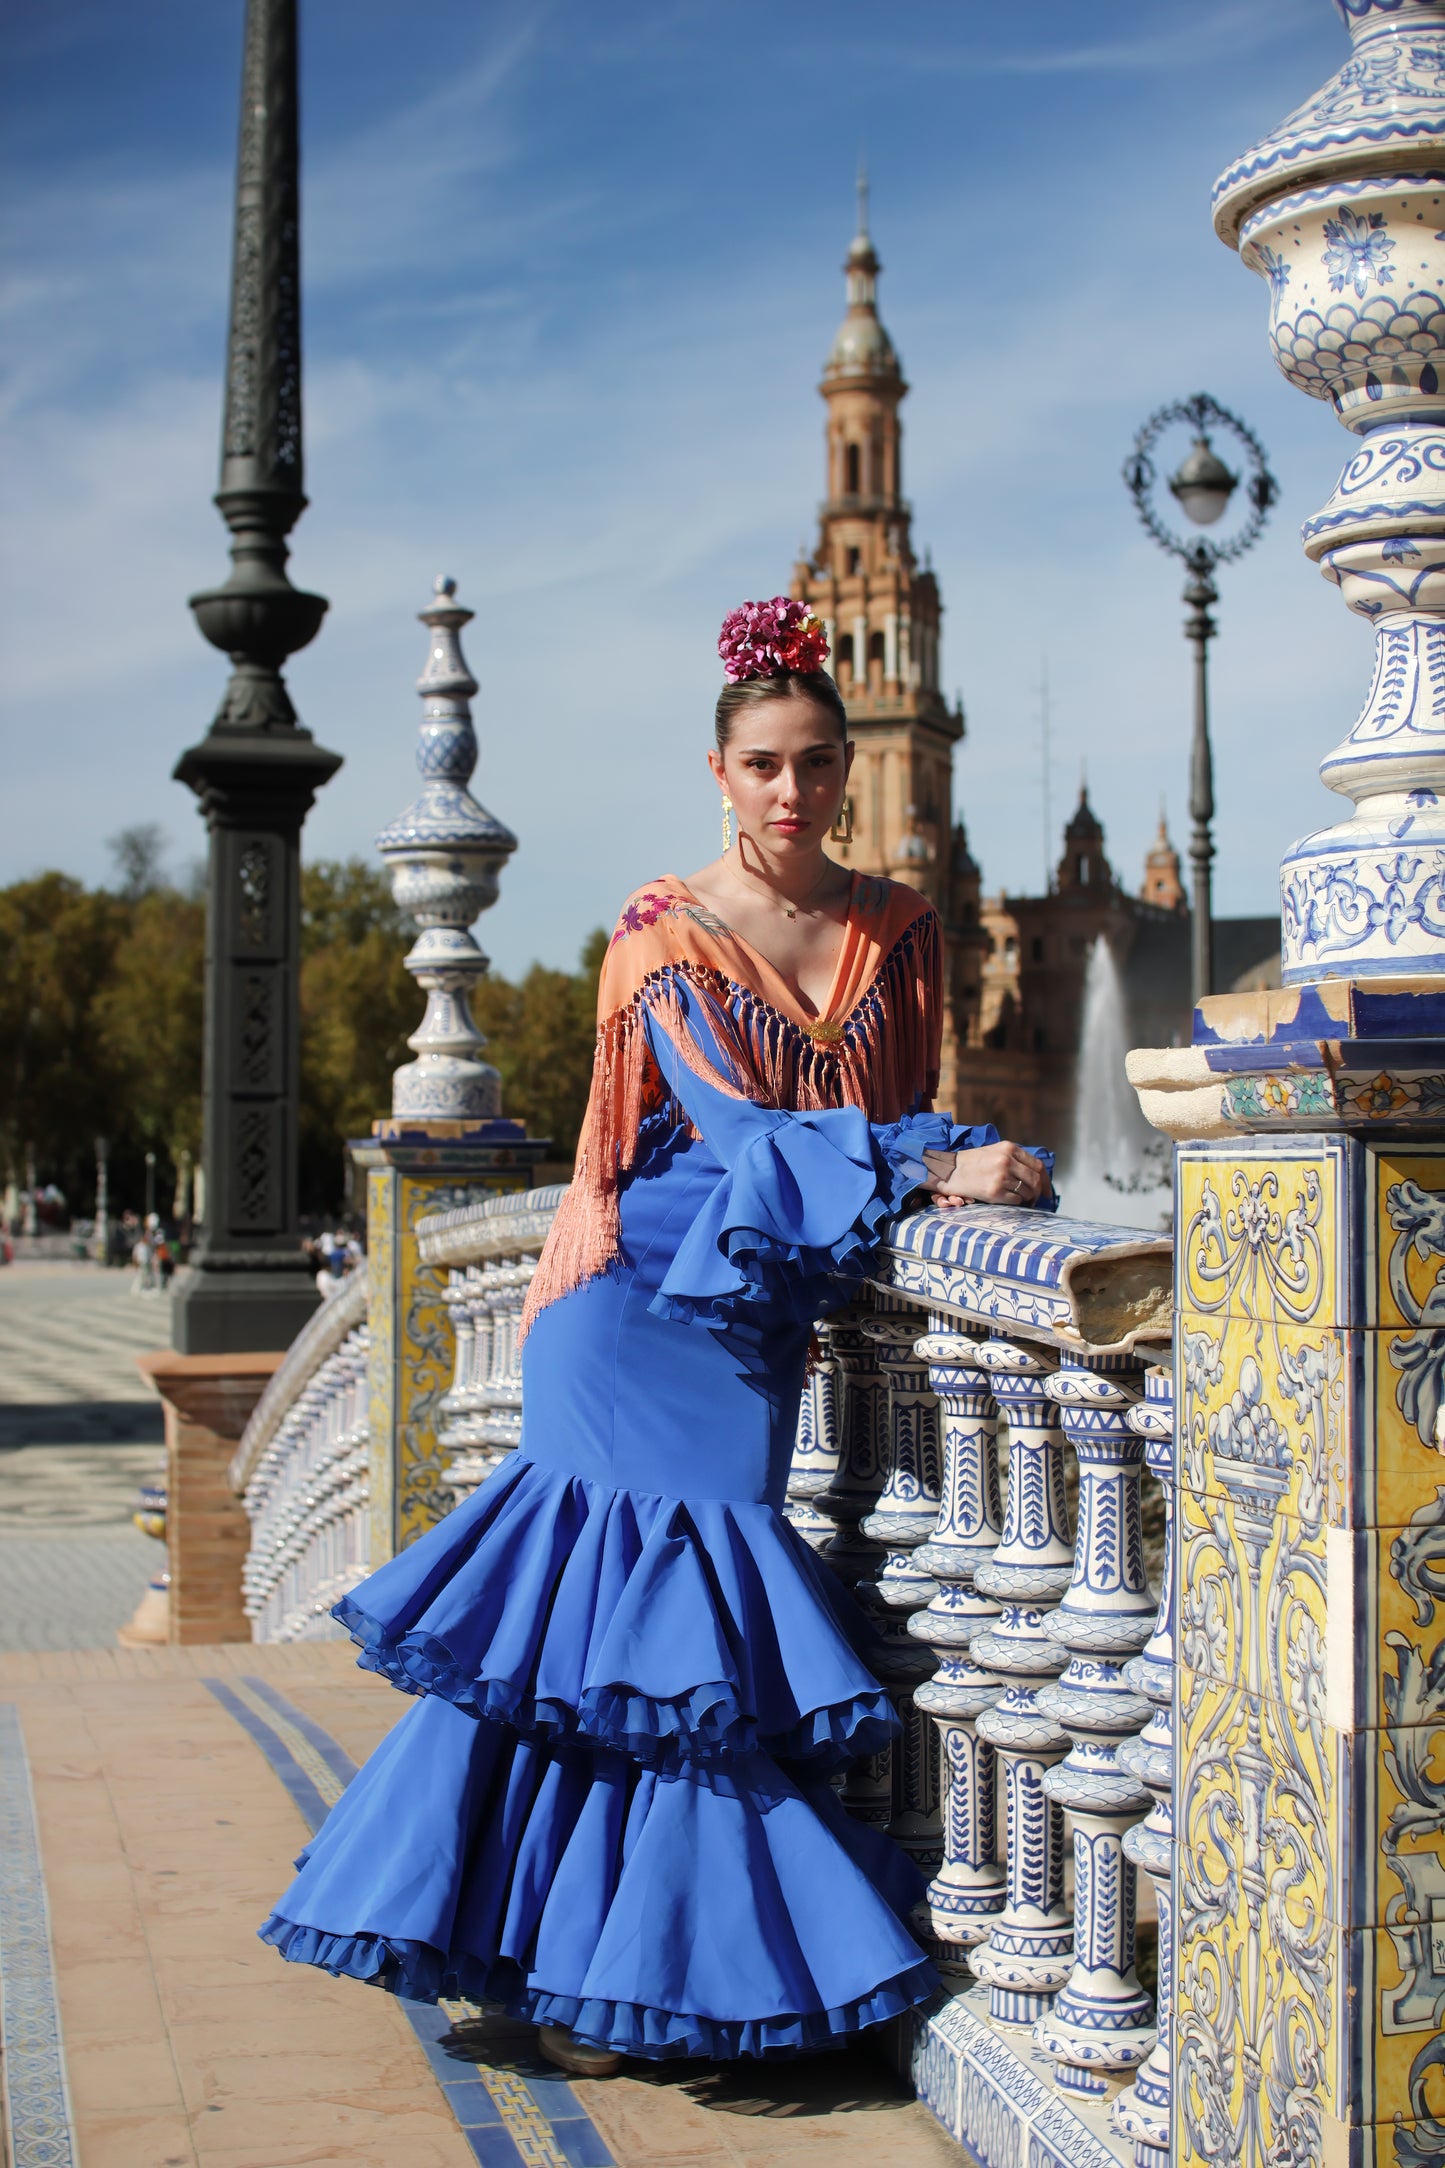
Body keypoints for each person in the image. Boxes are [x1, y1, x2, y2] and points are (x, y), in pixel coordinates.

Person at [260, 599, 1053, 2074]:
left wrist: (941, 1159)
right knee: (592, 1657)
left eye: (816, 763)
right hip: (629, 1311)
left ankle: (597, 1969)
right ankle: (589, 1973)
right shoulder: (661, 933)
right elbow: (752, 1128)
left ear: (845, 770)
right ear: (718, 770)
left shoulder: (899, 927)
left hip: (745, 1332)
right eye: (762, 763)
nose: (792, 791)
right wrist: (936, 1169)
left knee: (661, 1670)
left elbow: (877, 1111)